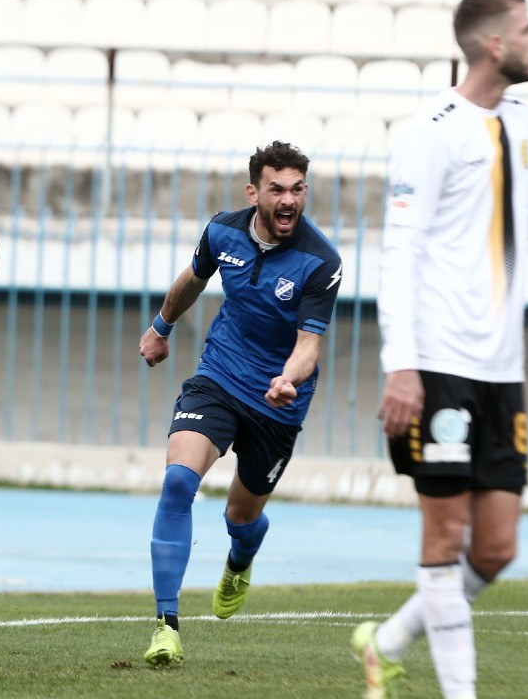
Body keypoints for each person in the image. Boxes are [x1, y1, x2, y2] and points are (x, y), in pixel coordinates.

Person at [352, 0, 528, 699]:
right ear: (495, 44)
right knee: (444, 539)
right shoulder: (430, 132)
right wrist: (401, 364)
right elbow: (399, 252)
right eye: (527, 29)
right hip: (438, 367)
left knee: (496, 548)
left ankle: (386, 641)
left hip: (501, 370)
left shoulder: (521, 123)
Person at [138, 141, 343, 667]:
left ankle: (240, 557)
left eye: (298, 189)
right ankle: (166, 626)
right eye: (277, 189)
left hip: (279, 401)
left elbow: (310, 344)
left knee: (241, 516)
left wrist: (287, 379)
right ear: (254, 193)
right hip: (220, 375)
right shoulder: (222, 231)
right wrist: (161, 326)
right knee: (178, 481)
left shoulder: (321, 261)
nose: (289, 199)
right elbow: (193, 279)